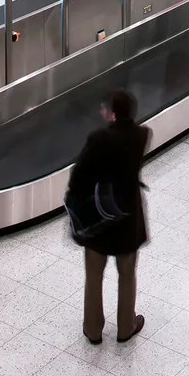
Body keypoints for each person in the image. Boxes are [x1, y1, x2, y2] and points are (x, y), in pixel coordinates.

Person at [68, 89, 151, 345]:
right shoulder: (142, 135)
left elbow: (79, 176)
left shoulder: (99, 138)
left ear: (113, 114)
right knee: (127, 272)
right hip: (128, 215)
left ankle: (93, 328)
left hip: (100, 217)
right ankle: (126, 326)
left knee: (94, 274)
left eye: (105, 109)